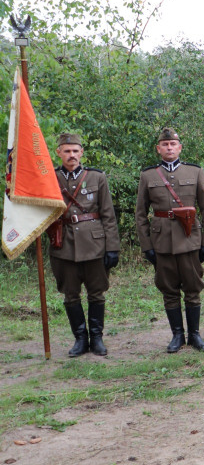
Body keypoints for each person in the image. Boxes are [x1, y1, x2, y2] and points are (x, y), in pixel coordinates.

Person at [135, 127, 204, 354]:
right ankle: (177, 335)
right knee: (168, 290)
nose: (169, 148)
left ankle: (195, 335)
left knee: (192, 288)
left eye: (173, 144)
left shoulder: (195, 172)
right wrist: (147, 245)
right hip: (162, 243)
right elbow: (140, 214)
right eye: (165, 144)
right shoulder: (148, 176)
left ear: (180, 147)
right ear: (158, 148)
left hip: (190, 240)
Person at [47, 133, 120, 357]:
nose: (72, 155)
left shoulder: (97, 177)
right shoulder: (49, 177)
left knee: (96, 293)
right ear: (58, 152)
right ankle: (80, 339)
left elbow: (108, 214)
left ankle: (96, 338)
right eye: (67, 151)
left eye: (76, 151)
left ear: (82, 152)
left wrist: (112, 247)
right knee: (70, 294)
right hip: (63, 245)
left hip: (94, 243)